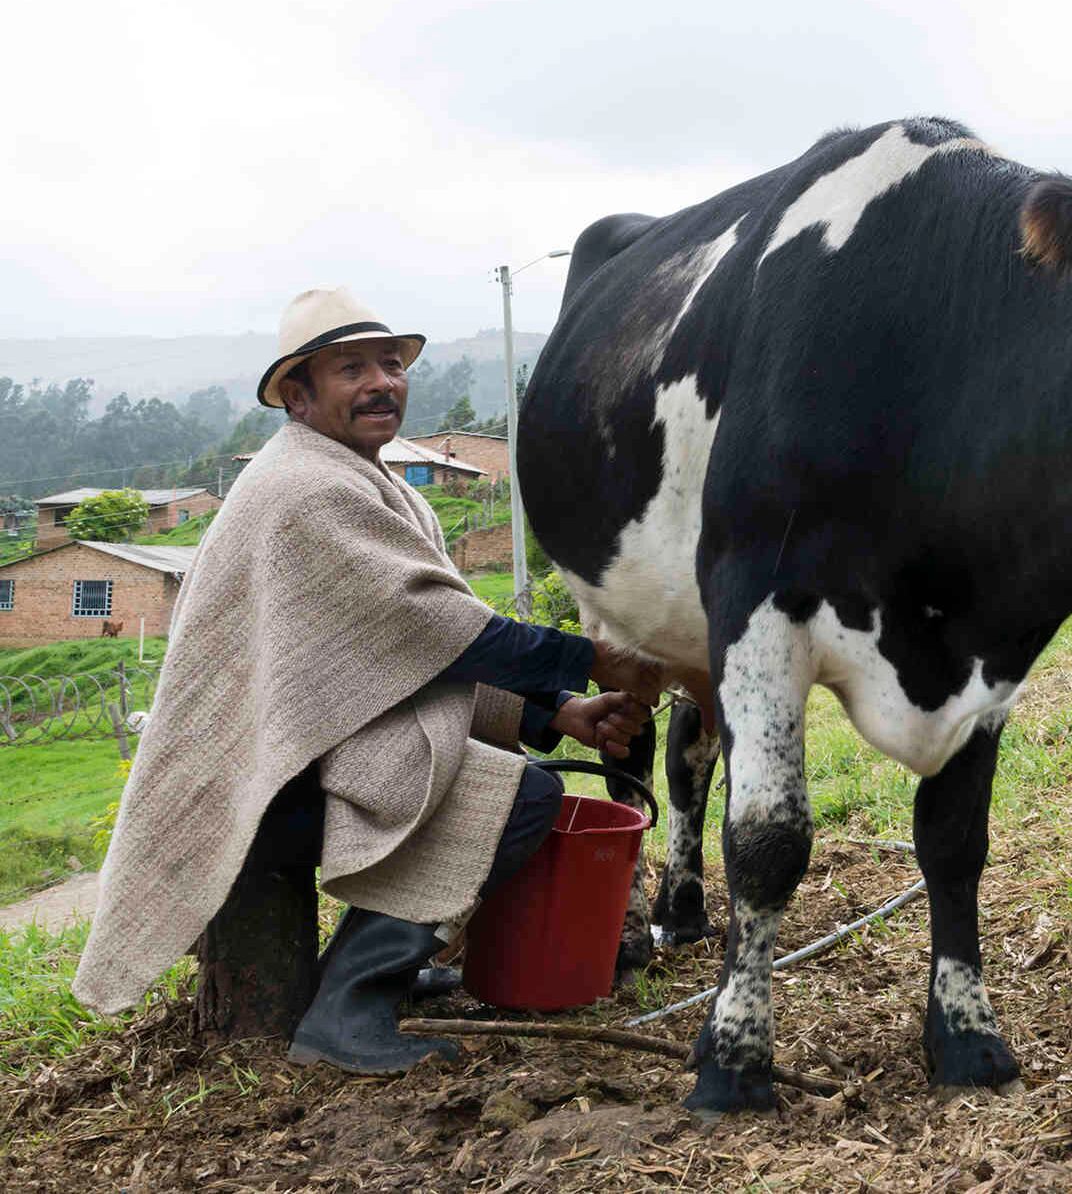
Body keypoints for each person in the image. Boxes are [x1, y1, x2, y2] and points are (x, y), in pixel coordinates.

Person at [73, 287, 667, 1074]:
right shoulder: (306, 489)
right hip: (256, 785)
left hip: (306, 754)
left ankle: (391, 967)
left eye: (391, 364)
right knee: (517, 797)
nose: (381, 382)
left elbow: (416, 655)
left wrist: (562, 714)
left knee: (501, 776)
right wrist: (591, 659)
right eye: (351, 368)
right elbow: (437, 627)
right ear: (298, 393)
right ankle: (348, 1006)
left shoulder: (373, 483)